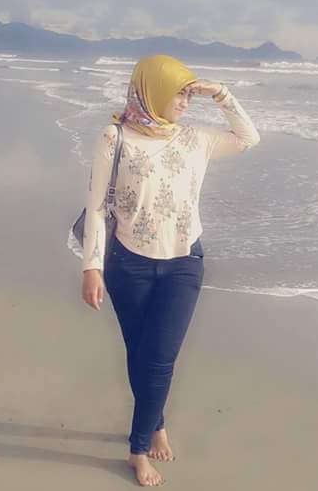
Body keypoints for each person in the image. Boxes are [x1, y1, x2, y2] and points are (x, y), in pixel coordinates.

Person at [80, 54, 260, 486]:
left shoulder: (196, 138)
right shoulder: (115, 136)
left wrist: (220, 93)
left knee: (160, 360)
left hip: (184, 263)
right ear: (152, 90)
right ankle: (156, 421)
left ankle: (138, 448)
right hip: (128, 264)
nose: (183, 101)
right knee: (140, 354)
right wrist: (92, 266)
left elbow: (248, 137)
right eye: (177, 92)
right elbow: (97, 206)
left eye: (187, 94)